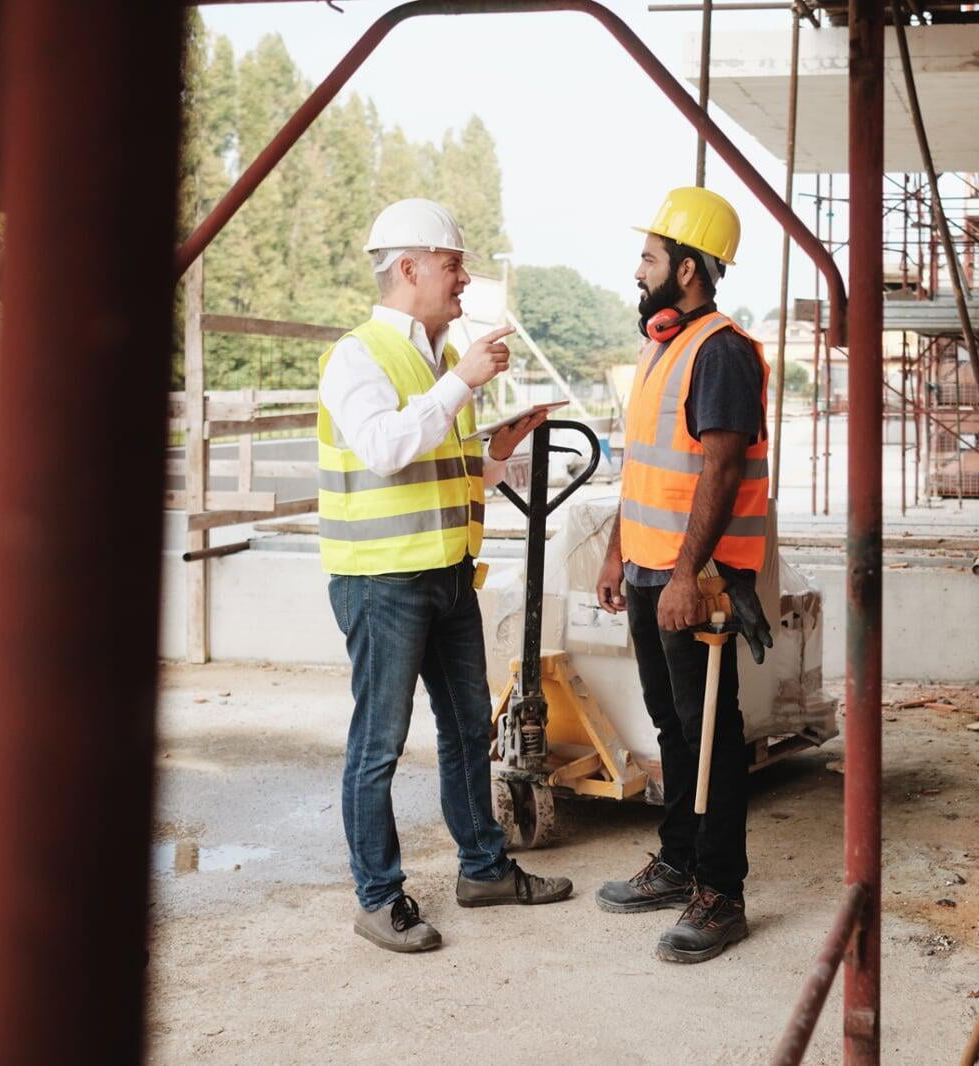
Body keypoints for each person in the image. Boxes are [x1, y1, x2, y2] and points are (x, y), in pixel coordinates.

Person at [318, 197, 572, 954]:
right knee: (379, 745)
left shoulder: (435, 362)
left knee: (468, 729)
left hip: (448, 574)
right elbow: (386, 448)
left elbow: (450, 473)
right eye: (453, 264)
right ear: (408, 268)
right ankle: (378, 897)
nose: (463, 279)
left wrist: (500, 452)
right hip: (383, 583)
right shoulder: (357, 356)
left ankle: (484, 869)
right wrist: (462, 382)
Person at [593, 187, 775, 964]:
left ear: (690, 270)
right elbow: (645, 469)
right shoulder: (663, 345)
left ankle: (720, 893)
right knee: (672, 724)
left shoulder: (722, 351)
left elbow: (720, 471)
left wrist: (685, 574)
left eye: (651, 258)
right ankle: (677, 860)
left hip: (691, 578)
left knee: (711, 736)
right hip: (647, 567)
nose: (639, 271)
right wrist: (616, 552)